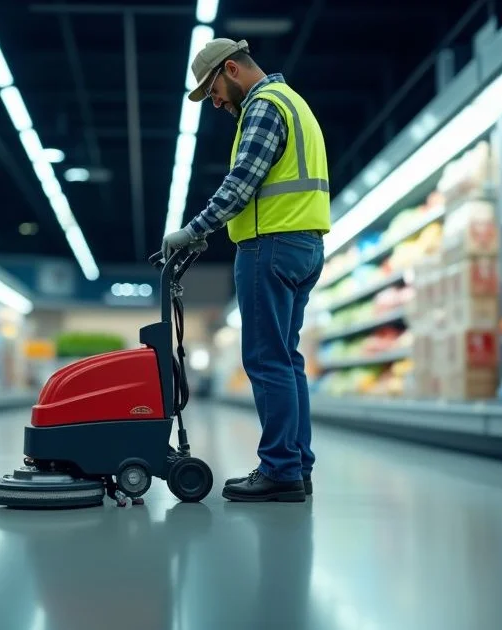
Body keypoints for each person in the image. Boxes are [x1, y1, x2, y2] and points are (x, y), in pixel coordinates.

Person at [161, 38, 330, 502]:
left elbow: (241, 182)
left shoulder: (264, 105)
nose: (215, 102)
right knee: (287, 359)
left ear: (231, 69)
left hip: (270, 245)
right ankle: (296, 466)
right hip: (305, 245)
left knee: (266, 359)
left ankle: (279, 469)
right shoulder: (294, 102)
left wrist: (193, 229)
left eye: (213, 91)